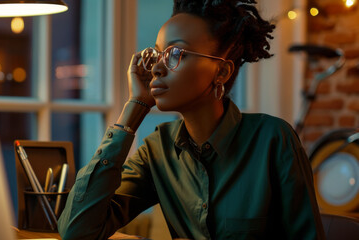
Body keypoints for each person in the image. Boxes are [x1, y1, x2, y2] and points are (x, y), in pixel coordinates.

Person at [58, 0, 325, 239]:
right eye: (157, 54)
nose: (157, 68)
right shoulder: (157, 151)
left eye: (176, 54)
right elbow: (77, 230)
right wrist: (134, 107)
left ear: (221, 71)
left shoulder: (273, 139)